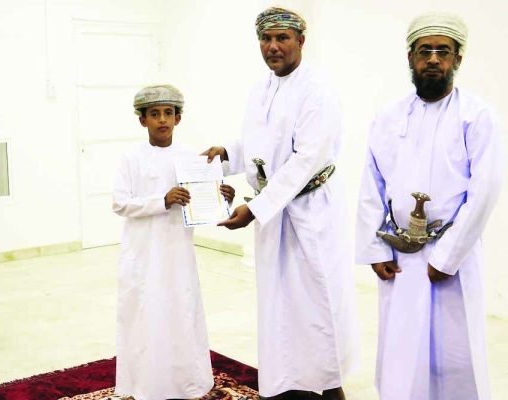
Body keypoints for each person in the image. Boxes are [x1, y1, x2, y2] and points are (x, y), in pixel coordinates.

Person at [202, 7, 359, 400]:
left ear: (301, 41)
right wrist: (228, 154)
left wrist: (255, 209)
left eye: (282, 38)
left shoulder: (317, 90)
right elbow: (259, 143)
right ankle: (288, 384)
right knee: (280, 304)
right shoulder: (261, 88)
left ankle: (330, 388)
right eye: (266, 39)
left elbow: (306, 160)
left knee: (316, 303)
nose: (273, 46)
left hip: (311, 212)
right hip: (276, 212)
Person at [355, 12, 503, 400]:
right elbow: (372, 185)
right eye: (425, 51)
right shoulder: (388, 117)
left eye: (443, 51)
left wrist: (447, 258)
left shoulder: (477, 116)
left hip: (453, 257)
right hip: (399, 257)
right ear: (411, 57)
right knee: (402, 354)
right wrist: (375, 250)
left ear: (458, 58)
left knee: (454, 354)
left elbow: (484, 190)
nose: (433, 59)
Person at [112, 84, 235, 400]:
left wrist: (223, 198)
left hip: (178, 252)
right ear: (143, 120)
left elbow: (204, 205)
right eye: (154, 114)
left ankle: (185, 385)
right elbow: (120, 204)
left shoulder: (192, 158)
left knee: (181, 313)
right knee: (145, 316)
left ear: (178, 118)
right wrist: (162, 200)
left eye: (168, 113)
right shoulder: (131, 158)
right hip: (142, 253)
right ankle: (145, 387)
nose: (162, 120)